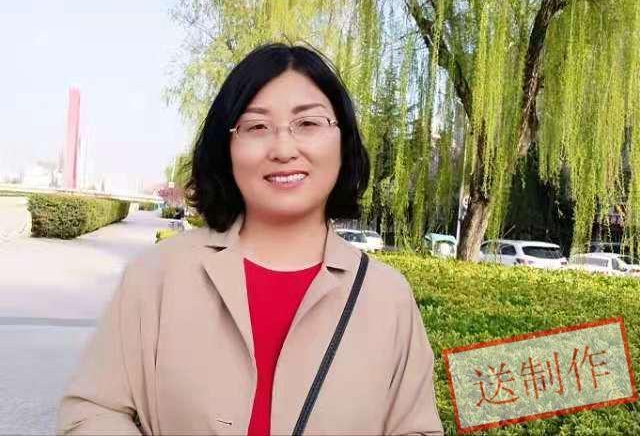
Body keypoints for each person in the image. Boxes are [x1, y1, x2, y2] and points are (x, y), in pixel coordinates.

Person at [56, 42, 444, 435]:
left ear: (342, 141)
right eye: (257, 127)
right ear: (226, 147)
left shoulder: (386, 298)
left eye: (308, 123)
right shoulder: (158, 275)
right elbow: (92, 410)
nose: (283, 149)